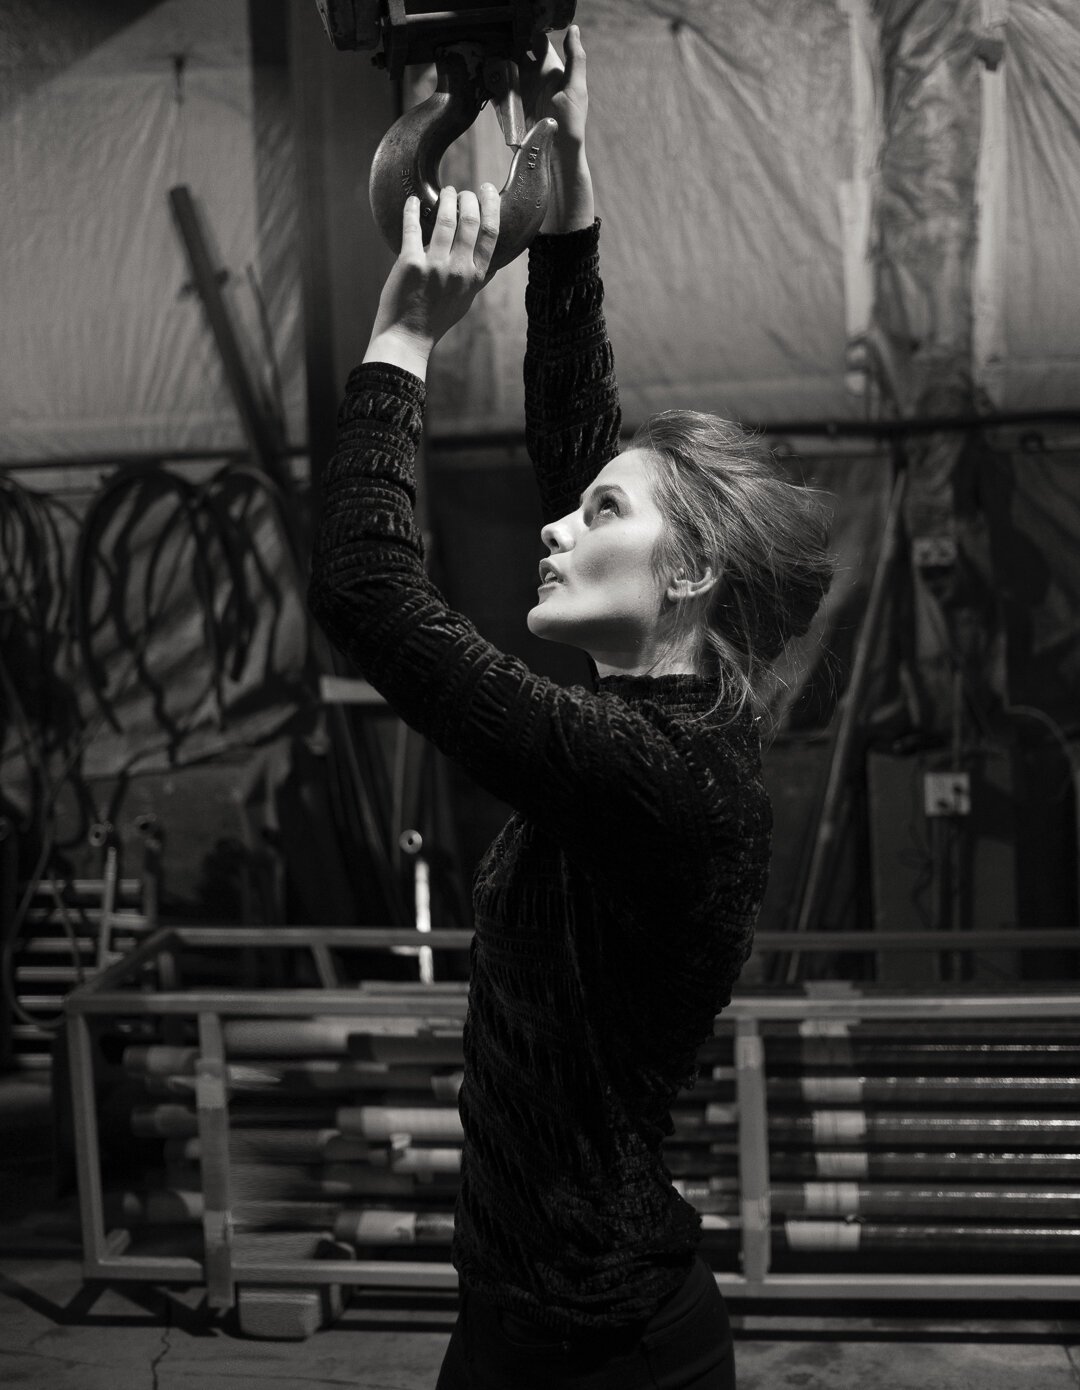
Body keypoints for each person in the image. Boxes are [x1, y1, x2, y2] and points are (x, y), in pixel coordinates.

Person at [308, 25, 832, 1389]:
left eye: (599, 515)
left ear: (690, 569)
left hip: (605, 1354)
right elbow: (576, 418)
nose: (556, 526)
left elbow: (373, 591)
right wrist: (569, 162)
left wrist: (402, 332)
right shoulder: (673, 713)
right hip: (520, 1327)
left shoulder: (652, 768)